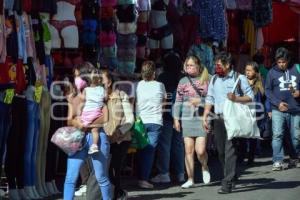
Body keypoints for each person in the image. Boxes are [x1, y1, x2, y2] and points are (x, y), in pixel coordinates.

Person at [203, 51, 254, 194]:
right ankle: (231, 174)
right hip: (218, 118)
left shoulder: (240, 78)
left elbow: (250, 96)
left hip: (234, 118)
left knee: (230, 149)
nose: (217, 67)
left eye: (219, 64)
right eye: (216, 64)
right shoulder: (214, 79)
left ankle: (227, 182)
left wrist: (236, 99)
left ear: (228, 65)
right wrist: (205, 115)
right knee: (221, 151)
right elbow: (209, 98)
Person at [64, 62, 112, 200]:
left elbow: (105, 118)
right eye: (75, 76)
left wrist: (85, 124)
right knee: (70, 178)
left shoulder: (97, 94)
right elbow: (69, 120)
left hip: (97, 138)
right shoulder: (73, 97)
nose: (76, 79)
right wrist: (79, 123)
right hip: (78, 138)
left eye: (78, 76)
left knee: (101, 176)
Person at [173, 55, 211, 188]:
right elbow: (177, 101)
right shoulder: (183, 80)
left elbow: (214, 100)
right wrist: (176, 118)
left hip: (202, 118)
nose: (188, 68)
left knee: (200, 150)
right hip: (187, 119)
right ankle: (190, 179)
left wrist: (199, 101)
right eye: (187, 65)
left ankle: (204, 166)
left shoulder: (207, 79)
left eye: (191, 65)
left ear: (198, 66)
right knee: (188, 150)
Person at [151, 52, 185, 184]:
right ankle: (180, 173)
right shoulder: (183, 78)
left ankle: (164, 173)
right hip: (181, 115)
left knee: (165, 145)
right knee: (178, 145)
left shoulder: (163, 77)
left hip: (166, 114)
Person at [265, 47, 300, 170]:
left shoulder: (297, 68)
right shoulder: (271, 72)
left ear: (288, 60)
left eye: (283, 62)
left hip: (295, 109)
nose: (281, 65)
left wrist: (299, 92)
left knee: (295, 136)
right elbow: (268, 91)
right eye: (279, 62)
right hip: (278, 109)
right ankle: (277, 160)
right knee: (278, 134)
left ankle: (294, 158)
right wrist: (277, 103)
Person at [102, 70, 135, 199]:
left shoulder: (122, 95)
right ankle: (117, 193)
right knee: (106, 170)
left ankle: (117, 194)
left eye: (101, 79)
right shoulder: (98, 97)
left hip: (121, 138)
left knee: (114, 168)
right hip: (104, 138)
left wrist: (118, 132)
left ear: (109, 82)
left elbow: (130, 120)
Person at [136, 60, 167, 189]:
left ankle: (140, 177)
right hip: (155, 121)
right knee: (149, 151)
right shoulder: (160, 85)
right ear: (154, 72)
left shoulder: (139, 85)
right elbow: (164, 102)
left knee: (142, 149)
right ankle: (143, 179)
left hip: (141, 121)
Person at [76, 67, 107, 154]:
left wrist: (78, 90)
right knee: (95, 130)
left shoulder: (86, 89)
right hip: (97, 113)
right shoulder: (102, 89)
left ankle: (79, 143)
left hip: (87, 113)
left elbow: (82, 98)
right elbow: (106, 98)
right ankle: (94, 145)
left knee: (82, 129)